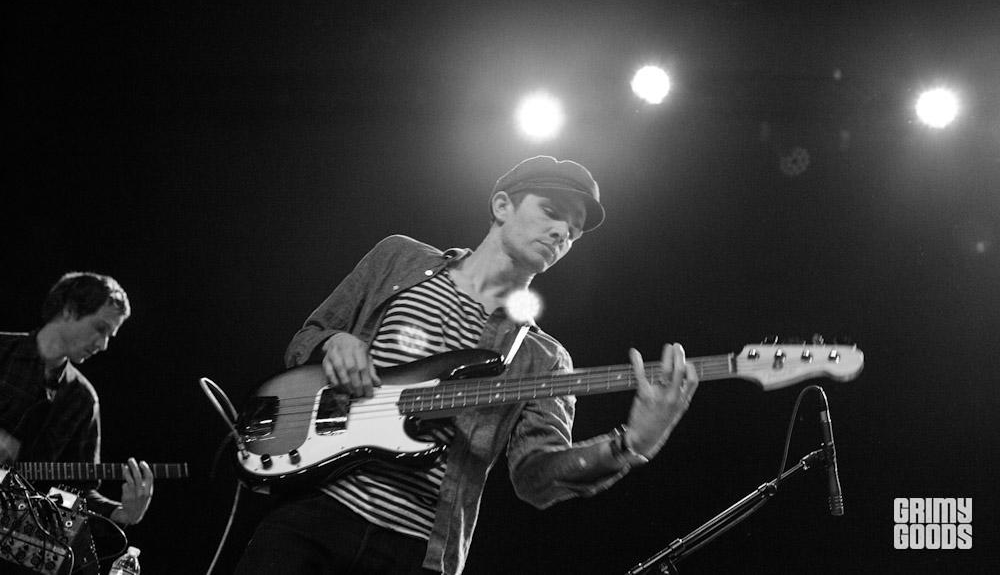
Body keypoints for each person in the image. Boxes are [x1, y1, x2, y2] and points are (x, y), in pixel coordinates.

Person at [235, 156, 699, 575]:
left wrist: (630, 443)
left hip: (417, 550)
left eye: (573, 232)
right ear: (502, 206)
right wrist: (334, 342)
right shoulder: (398, 259)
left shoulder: (544, 357)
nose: (562, 234)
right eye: (551, 212)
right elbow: (306, 340)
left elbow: (534, 480)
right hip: (313, 510)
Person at [0, 271, 154, 527]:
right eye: (100, 328)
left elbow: (71, 493)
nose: (103, 345)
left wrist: (122, 513)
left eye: (109, 336)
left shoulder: (82, 400)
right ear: (70, 310)